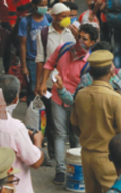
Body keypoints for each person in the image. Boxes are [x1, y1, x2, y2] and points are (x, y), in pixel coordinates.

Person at [70, 50, 121, 193]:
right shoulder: (116, 99)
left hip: (87, 154)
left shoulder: (81, 95)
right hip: (109, 157)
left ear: (90, 73)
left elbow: (75, 126)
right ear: (111, 70)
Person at [41, 24, 98, 184]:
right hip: (57, 99)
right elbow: (48, 63)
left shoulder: (90, 63)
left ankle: (78, 170)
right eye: (79, 36)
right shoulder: (63, 49)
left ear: (92, 43)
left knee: (76, 137)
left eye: (84, 39)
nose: (80, 41)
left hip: (77, 103)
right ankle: (60, 170)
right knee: (59, 135)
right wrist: (42, 82)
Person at [34, 2, 75, 167]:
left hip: (70, 84)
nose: (67, 19)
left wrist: (78, 36)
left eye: (69, 16)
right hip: (51, 85)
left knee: (73, 123)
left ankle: (74, 155)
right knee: (52, 121)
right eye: (63, 16)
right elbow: (40, 60)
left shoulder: (72, 32)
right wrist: (40, 83)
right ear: (55, 17)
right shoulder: (44, 34)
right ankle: (53, 155)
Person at [0, 75, 44, 193]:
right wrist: (38, 141)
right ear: (16, 99)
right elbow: (35, 162)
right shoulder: (15, 127)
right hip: (14, 187)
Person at [55, 41, 121, 106]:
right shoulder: (87, 78)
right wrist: (61, 88)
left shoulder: (120, 73)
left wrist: (114, 76)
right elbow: (73, 101)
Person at [18, 0, 50, 105]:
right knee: (33, 90)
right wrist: (23, 66)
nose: (44, 8)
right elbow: (22, 45)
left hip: (46, 60)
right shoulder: (25, 21)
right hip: (32, 60)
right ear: (34, 5)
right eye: (41, 5)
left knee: (45, 88)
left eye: (45, 5)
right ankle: (32, 115)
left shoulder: (48, 19)